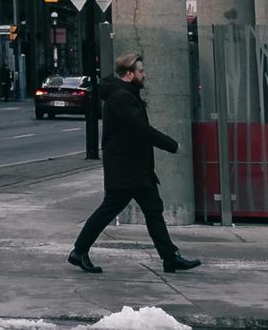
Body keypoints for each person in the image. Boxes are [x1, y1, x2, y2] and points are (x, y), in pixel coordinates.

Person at [69, 53, 201, 278]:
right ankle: (79, 250)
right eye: (141, 71)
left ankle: (169, 257)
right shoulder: (122, 98)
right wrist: (172, 145)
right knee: (110, 210)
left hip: (134, 168)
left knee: (153, 210)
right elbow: (141, 130)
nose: (144, 74)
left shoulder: (124, 94)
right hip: (127, 169)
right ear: (129, 74)